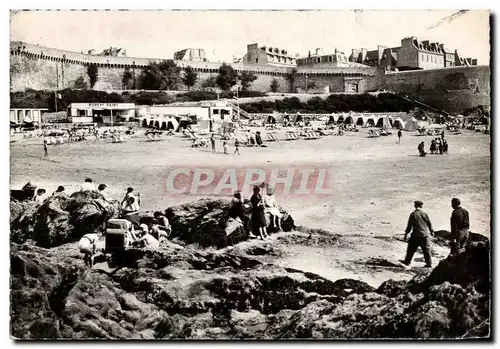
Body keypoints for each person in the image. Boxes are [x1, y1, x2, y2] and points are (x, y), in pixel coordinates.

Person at [401, 200, 434, 268]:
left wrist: (406, 234)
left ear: (415, 206)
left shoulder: (413, 214)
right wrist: (432, 231)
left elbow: (409, 225)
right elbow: (429, 223)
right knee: (426, 250)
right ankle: (429, 264)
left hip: (416, 235)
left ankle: (407, 262)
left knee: (411, 249)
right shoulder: (425, 214)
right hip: (425, 235)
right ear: (421, 206)